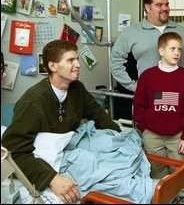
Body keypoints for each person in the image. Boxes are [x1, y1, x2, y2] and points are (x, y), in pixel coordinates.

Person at [2, 40, 121, 204]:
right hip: (45, 161)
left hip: (70, 152)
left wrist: (121, 138)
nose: (78, 64)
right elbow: (13, 152)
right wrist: (52, 178)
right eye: (70, 60)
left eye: (77, 59)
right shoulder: (33, 102)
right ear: (53, 66)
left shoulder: (77, 89)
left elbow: (98, 115)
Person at [133, 32, 184, 179]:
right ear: (161, 51)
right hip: (152, 136)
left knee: (178, 176)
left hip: (177, 137)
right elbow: (139, 105)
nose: (177, 53)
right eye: (172, 49)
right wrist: (144, 127)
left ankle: (180, 200)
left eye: (179, 49)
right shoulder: (147, 76)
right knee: (156, 174)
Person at [110, 0, 184, 93]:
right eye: (159, 5)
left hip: (178, 93)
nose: (165, 8)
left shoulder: (182, 31)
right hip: (149, 94)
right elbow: (115, 61)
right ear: (147, 7)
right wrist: (132, 85)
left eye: (167, 4)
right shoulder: (130, 33)